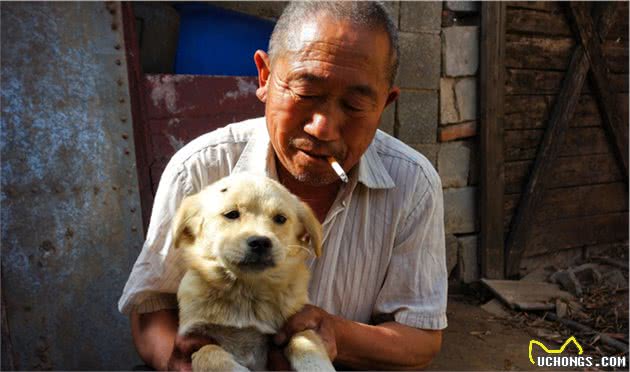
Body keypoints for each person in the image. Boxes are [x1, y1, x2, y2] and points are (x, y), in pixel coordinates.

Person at [119, 2, 447, 370]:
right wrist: (178, 363)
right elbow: (150, 307)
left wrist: (334, 332)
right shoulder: (200, 170)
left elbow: (420, 338)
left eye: (355, 105)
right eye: (306, 94)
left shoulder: (412, 183)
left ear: (385, 103)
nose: (323, 127)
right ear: (264, 77)